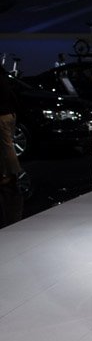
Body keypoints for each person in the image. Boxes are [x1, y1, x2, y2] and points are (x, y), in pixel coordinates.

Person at [0, 66, 24, 225]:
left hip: (2, 115)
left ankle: (14, 173)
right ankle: (8, 173)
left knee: (7, 147)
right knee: (6, 146)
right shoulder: (5, 78)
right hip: (10, 114)